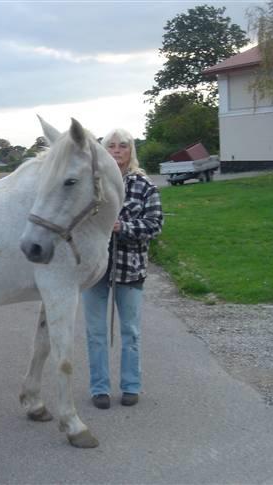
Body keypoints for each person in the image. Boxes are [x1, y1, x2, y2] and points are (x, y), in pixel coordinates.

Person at [82, 128, 163, 409]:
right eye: (111, 146)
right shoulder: (93, 184)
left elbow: (155, 224)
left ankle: (131, 386)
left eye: (123, 146)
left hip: (130, 268)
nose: (117, 151)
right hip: (94, 269)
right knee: (95, 332)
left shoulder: (144, 186)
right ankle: (99, 388)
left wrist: (123, 226)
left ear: (131, 151)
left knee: (129, 330)